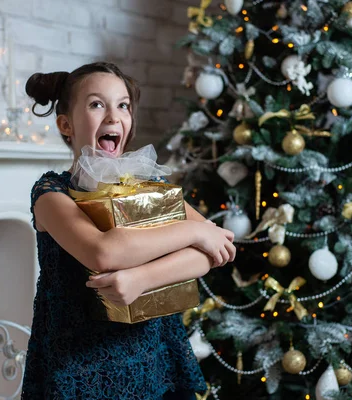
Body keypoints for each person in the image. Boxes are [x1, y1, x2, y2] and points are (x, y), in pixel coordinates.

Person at [21, 61, 236, 400]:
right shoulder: (51, 194)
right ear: (66, 124)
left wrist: (141, 279)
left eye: (122, 105)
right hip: (82, 367)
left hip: (155, 359)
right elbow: (105, 251)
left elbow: (215, 249)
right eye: (96, 104)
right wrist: (194, 231)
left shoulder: (150, 186)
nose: (113, 116)